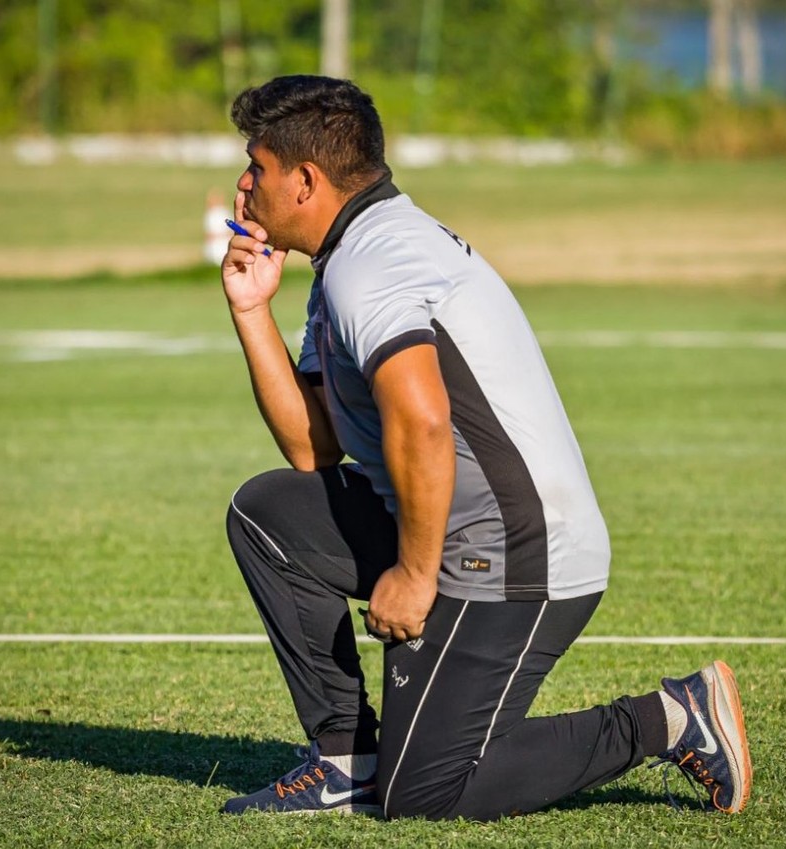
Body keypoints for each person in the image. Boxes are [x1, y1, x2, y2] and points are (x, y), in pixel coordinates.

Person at [218, 74, 751, 821]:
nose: (245, 185)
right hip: (457, 526)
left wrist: (414, 574)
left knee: (423, 794)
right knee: (270, 513)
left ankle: (669, 718)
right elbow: (316, 449)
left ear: (305, 181)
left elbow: (423, 420)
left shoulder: (374, 263)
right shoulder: (350, 253)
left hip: (517, 549)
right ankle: (344, 760)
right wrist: (251, 311)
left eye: (257, 166)